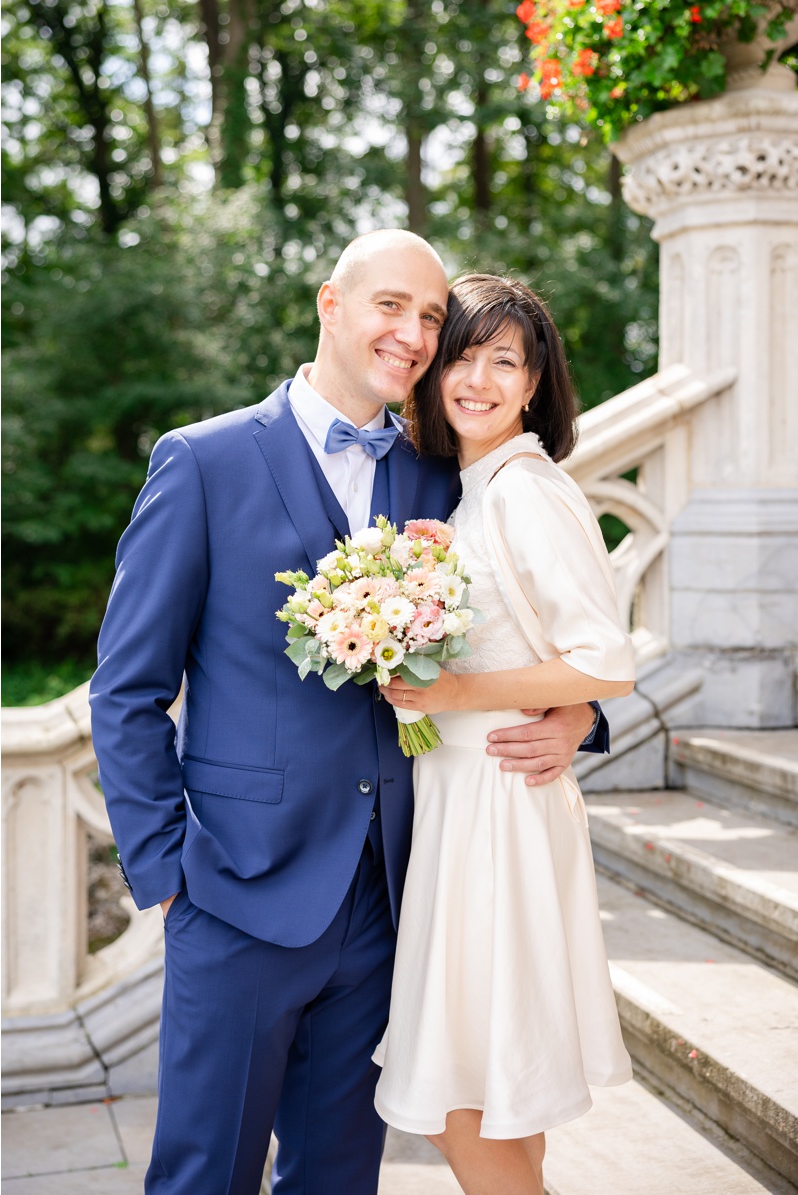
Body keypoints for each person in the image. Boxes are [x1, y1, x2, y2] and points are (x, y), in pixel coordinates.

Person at [88, 230, 609, 1195]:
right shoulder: (202, 462)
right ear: (332, 304)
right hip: (235, 891)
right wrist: (166, 874)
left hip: (394, 898)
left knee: (338, 1176)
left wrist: (579, 715)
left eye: (429, 317)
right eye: (391, 307)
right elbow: (125, 690)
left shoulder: (437, 473)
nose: (412, 334)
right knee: (205, 1173)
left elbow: (521, 614)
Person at [373, 274, 634, 1194]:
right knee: (493, 1087)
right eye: (462, 358)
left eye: (504, 361)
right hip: (471, 805)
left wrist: (453, 690)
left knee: (458, 1101)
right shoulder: (475, 490)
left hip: (495, 811)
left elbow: (606, 659)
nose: (477, 378)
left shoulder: (526, 489)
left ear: (534, 384)